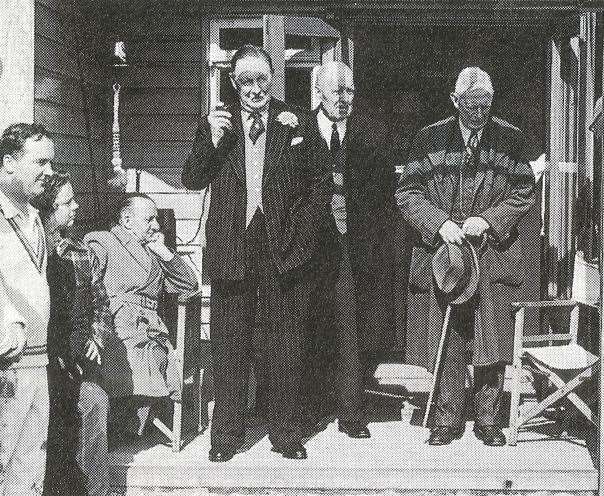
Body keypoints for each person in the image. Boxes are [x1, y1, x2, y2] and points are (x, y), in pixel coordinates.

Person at [182, 45, 331, 462]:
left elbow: (320, 184)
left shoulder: (297, 121)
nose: (254, 89)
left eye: (261, 79)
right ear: (233, 83)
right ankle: (227, 434)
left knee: (284, 340)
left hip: (283, 246)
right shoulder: (217, 123)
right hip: (233, 244)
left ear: (272, 79)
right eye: (245, 81)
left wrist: (302, 240)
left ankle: (285, 431)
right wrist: (210, 140)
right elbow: (193, 178)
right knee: (230, 341)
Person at [396, 67, 536, 446]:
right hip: (444, 253)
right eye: (471, 107)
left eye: (485, 106)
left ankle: (488, 419)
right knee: (449, 333)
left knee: (490, 334)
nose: (479, 115)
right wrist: (440, 223)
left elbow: (524, 191)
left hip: (492, 252)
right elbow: (407, 193)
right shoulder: (428, 140)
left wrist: (488, 219)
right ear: (455, 102)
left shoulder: (511, 140)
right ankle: (446, 418)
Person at [302, 61, 396, 439]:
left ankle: (351, 413)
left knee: (349, 326)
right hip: (308, 248)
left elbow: (384, 196)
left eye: (349, 91)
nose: (343, 99)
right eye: (336, 91)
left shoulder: (370, 135)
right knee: (309, 325)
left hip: (352, 249)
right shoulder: (299, 132)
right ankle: (309, 408)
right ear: (319, 93)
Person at [85, 193, 198, 442]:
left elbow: (190, 285)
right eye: (149, 219)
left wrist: (162, 250)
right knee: (131, 362)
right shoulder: (103, 241)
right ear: (126, 220)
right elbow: (87, 283)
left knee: (155, 360)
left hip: (148, 329)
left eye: (156, 219)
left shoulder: (154, 254)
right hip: (116, 326)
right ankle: (120, 424)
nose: (156, 226)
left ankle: (127, 423)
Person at [33, 172, 112, 496]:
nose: (76, 206)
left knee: (93, 402)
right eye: (68, 202)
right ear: (49, 209)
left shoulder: (81, 253)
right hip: (33, 360)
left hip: (72, 362)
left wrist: (95, 336)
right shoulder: (30, 250)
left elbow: (101, 305)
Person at [0, 123, 54, 494]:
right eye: (40, 162)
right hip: (7, 365)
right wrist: (8, 320)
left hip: (38, 362)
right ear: (8, 163)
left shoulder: (34, 218)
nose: (49, 173)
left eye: (51, 163)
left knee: (30, 467)